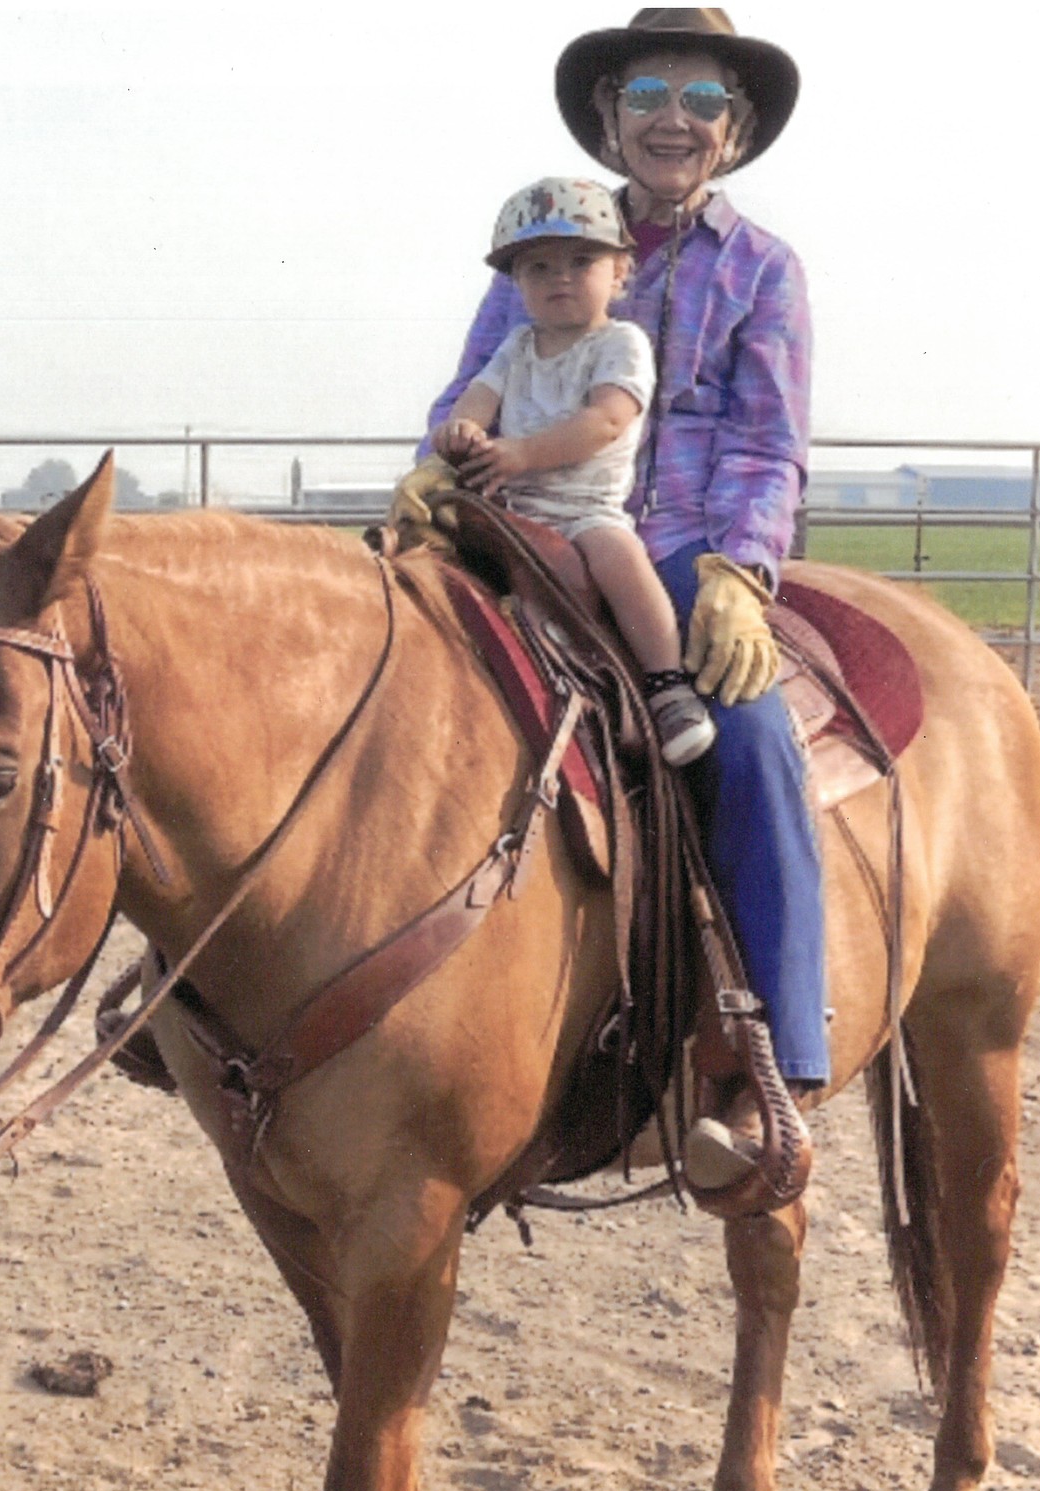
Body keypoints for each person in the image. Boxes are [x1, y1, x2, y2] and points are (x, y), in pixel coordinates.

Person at [396, 8, 825, 1202]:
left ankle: (774, 1059)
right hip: (524, 520)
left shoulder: (764, 270)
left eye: (699, 97)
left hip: (676, 538)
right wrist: (444, 459)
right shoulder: (547, 238)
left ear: (732, 131)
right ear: (609, 117)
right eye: (647, 92)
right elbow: (473, 380)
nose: (672, 117)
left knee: (750, 738)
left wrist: (739, 571)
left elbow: (767, 439)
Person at [434, 176, 715, 767]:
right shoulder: (517, 346)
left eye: (581, 261)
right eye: (537, 268)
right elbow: (477, 397)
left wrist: (521, 454)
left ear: (619, 273)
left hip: (585, 508)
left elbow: (606, 420)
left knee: (620, 561)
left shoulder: (621, 344)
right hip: (510, 506)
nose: (559, 278)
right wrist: (458, 432)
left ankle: (667, 684)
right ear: (517, 284)